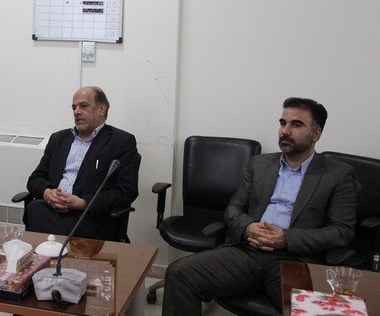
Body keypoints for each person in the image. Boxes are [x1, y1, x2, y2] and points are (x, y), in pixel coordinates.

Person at [162, 97, 357, 315]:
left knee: (306, 311)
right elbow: (234, 207)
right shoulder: (261, 164)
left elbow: (342, 231)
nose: (285, 131)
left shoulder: (337, 174)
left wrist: (287, 238)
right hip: (247, 252)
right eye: (283, 123)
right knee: (180, 274)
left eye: (297, 125)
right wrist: (248, 226)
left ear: (316, 134)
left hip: (293, 260)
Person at [24, 86, 141, 241]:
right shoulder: (58, 139)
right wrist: (48, 193)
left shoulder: (121, 141)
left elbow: (126, 191)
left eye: (83, 106)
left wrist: (84, 203)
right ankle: (56, 248)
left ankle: (51, 248)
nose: (77, 112)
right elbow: (35, 179)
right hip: (52, 210)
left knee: (54, 228)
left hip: (90, 216)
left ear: (101, 109)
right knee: (35, 207)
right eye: (74, 107)